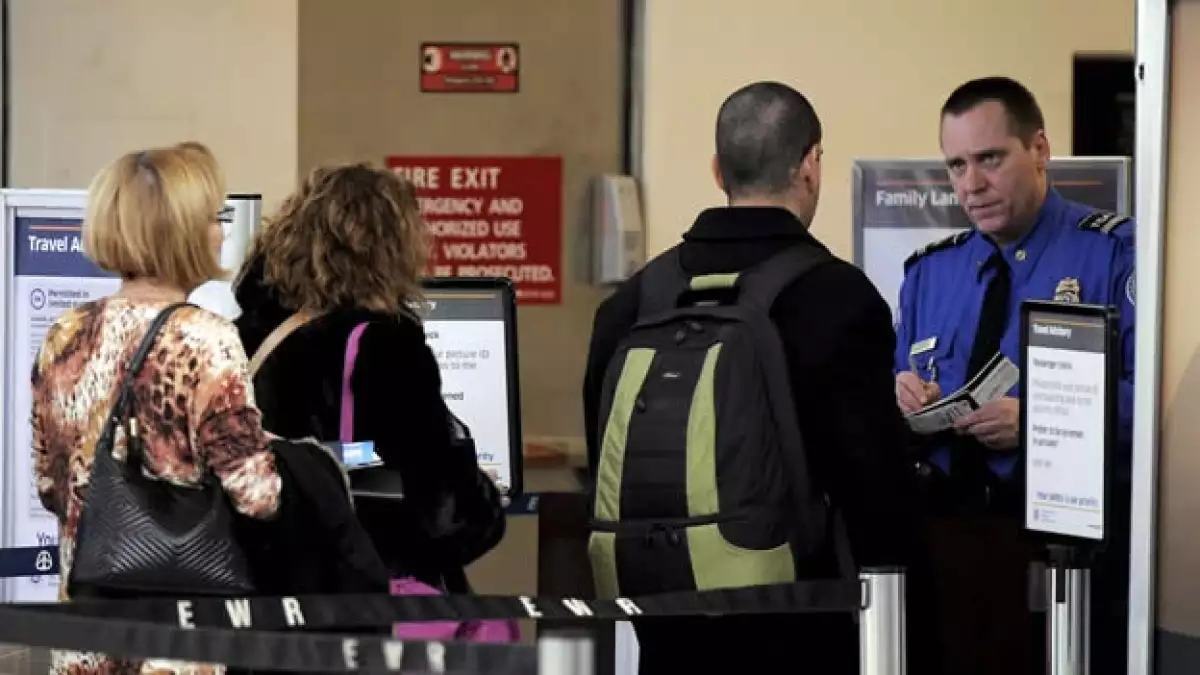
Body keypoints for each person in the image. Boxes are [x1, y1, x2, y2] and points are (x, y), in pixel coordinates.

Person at [582, 81, 925, 675]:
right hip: (800, 628)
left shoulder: (631, 305)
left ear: (718, 170)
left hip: (664, 628)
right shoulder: (839, 300)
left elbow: (603, 458)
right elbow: (876, 495)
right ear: (810, 165)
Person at [893, 76, 1135, 675]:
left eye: (990, 159)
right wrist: (902, 396)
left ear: (1040, 150)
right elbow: (892, 386)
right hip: (947, 544)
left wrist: (1041, 420)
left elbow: (1148, 402)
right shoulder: (930, 273)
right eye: (956, 165)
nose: (971, 185)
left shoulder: (1113, 254)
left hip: (1066, 557)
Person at [31, 142, 283, 675]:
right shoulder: (206, 339)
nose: (221, 232)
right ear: (181, 231)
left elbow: (51, 486)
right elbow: (256, 495)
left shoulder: (64, 333)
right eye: (213, 217)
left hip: (85, 624)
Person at [232, 162, 506, 590]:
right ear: (393, 250)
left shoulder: (249, 336)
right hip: (363, 595)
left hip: (268, 590)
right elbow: (445, 515)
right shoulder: (386, 346)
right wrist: (483, 500)